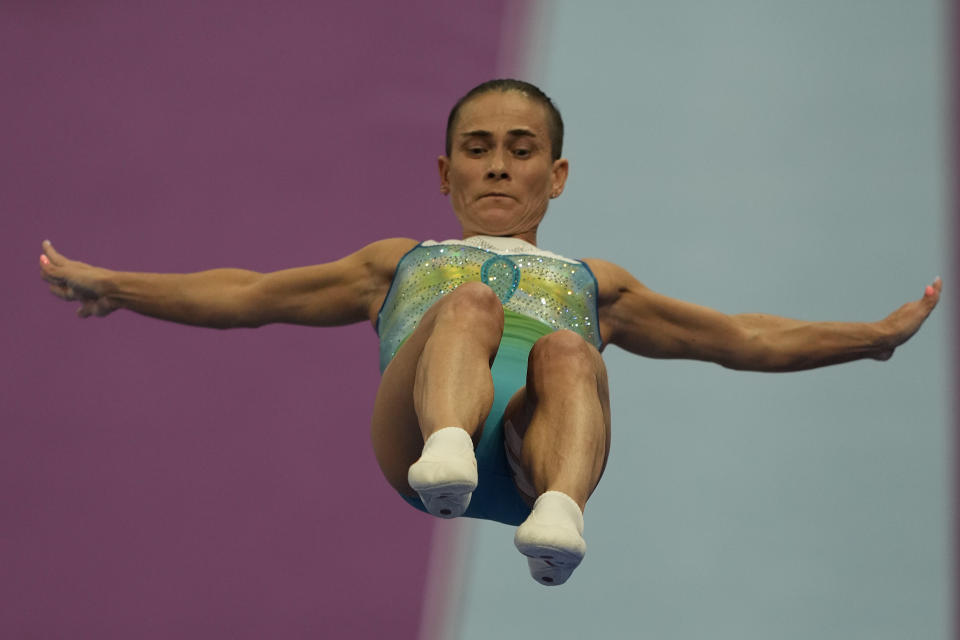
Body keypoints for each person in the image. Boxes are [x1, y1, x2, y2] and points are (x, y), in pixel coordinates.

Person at [39, 79, 942, 587]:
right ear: (444, 171)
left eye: (519, 149)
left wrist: (869, 337)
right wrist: (117, 285)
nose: (498, 163)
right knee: (466, 305)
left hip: (533, 457)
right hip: (420, 448)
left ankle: (557, 513)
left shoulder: (600, 286)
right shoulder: (398, 261)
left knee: (568, 350)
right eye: (477, 147)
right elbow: (248, 293)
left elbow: (741, 336)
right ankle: (447, 447)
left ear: (557, 176)